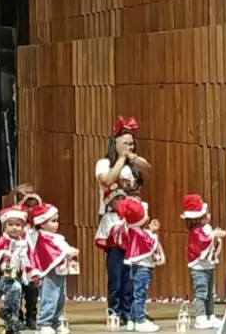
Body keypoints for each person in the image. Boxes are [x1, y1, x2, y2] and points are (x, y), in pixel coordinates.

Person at [29, 204, 79, 334]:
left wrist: (70, 252)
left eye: (57, 221)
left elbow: (62, 248)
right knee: (50, 297)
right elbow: (52, 252)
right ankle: (44, 322)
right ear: (42, 223)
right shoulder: (43, 237)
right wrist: (66, 253)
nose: (56, 224)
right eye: (53, 221)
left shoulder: (56, 237)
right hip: (50, 273)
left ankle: (56, 322)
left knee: (60, 298)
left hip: (60, 272)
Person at [0, 206, 35, 334]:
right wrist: (4, 253)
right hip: (5, 272)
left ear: (23, 227)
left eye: (18, 225)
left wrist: (31, 273)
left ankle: (12, 323)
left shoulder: (23, 242)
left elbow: (28, 258)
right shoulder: (2, 241)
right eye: (11, 224)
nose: (14, 227)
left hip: (18, 273)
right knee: (15, 288)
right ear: (4, 226)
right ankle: (6, 311)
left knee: (17, 297)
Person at [180, 194, 226, 329]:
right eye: (205, 214)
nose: (209, 215)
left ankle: (210, 315)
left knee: (210, 294)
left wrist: (215, 237)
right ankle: (201, 317)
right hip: (199, 269)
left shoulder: (206, 229)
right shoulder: (195, 232)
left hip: (208, 267)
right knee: (202, 293)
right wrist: (214, 236)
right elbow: (203, 242)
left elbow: (210, 241)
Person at [118, 199, 164, 333]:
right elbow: (152, 243)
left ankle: (132, 319)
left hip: (137, 268)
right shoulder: (140, 233)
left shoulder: (133, 230)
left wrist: (151, 230)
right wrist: (154, 232)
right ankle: (140, 321)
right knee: (140, 296)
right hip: (142, 269)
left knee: (136, 295)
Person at [95, 117, 151, 216]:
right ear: (115, 144)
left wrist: (133, 158)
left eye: (131, 144)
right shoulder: (103, 163)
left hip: (134, 214)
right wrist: (122, 158)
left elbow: (149, 170)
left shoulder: (137, 162)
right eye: (125, 144)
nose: (129, 147)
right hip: (112, 215)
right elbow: (107, 181)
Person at [94, 183, 132, 327]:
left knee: (129, 283)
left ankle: (126, 311)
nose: (121, 201)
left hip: (129, 252)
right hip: (115, 252)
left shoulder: (130, 216)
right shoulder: (107, 218)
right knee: (115, 282)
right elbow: (102, 238)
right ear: (110, 201)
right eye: (117, 199)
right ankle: (114, 311)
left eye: (123, 198)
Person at [16, 190, 42, 329]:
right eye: (28, 206)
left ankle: (31, 317)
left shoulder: (40, 229)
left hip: (33, 266)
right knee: (17, 292)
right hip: (19, 265)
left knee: (32, 293)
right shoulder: (18, 227)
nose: (31, 209)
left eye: (35, 206)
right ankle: (18, 317)